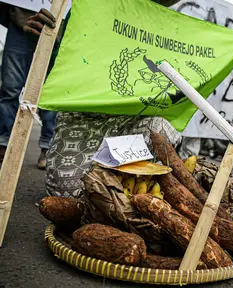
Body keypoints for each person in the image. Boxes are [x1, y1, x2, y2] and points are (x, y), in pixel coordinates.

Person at [23, 1, 182, 198]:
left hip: (133, 120)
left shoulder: (175, 28)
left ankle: (133, 190)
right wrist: (45, 43)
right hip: (84, 118)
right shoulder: (93, 7)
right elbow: (61, 68)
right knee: (67, 193)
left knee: (162, 132)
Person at [0, 4, 58, 169]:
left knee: (50, 91)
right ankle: (3, 143)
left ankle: (47, 147)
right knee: (11, 86)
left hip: (56, 25)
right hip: (20, 19)